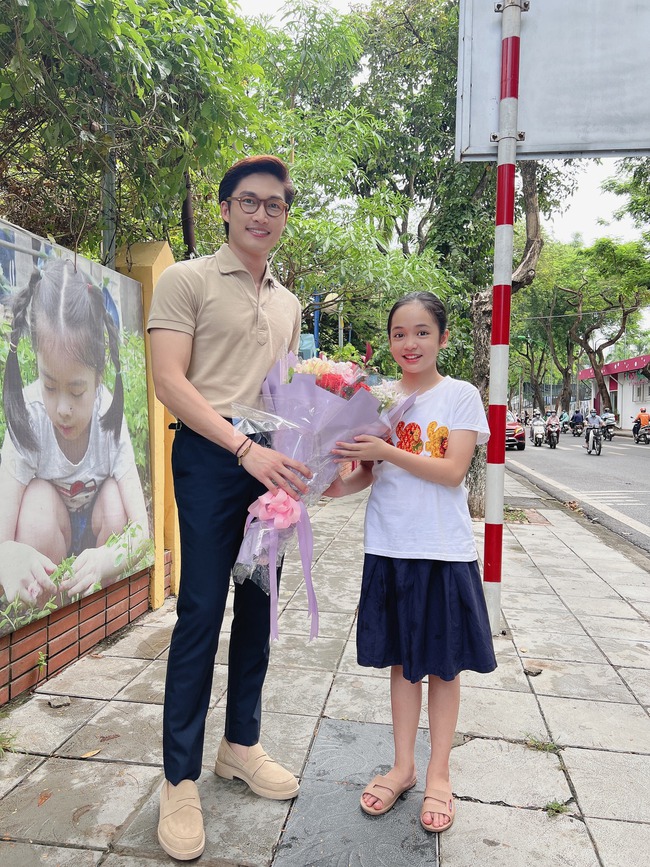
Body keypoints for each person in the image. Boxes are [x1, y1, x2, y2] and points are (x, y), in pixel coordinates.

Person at [147, 155, 312, 861]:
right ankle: (178, 777)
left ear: (284, 216)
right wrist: (242, 450)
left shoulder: (288, 302)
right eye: (249, 201)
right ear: (224, 208)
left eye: (275, 205)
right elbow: (168, 382)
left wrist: (306, 451)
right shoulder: (185, 280)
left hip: (269, 467)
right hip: (213, 460)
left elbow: (282, 392)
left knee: (259, 608)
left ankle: (239, 744)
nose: (261, 214)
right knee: (201, 612)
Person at [324, 291, 496, 834]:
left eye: (422, 332)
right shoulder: (376, 399)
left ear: (443, 338)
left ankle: (439, 774)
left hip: (442, 549)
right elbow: (366, 476)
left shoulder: (460, 395)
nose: (410, 343)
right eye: (399, 333)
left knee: (444, 666)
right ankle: (403, 767)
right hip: (390, 545)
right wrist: (322, 480)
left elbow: (452, 471)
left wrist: (385, 450)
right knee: (401, 664)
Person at [0, 259, 150, 607]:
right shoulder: (30, 416)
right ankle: (50, 606)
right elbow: (2, 539)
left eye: (77, 391)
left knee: (115, 504)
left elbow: (141, 531)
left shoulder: (108, 417)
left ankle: (99, 601)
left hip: (97, 534)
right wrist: (10, 555)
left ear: (98, 376)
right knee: (35, 503)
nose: (63, 408)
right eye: (50, 387)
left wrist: (107, 559)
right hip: (53, 530)